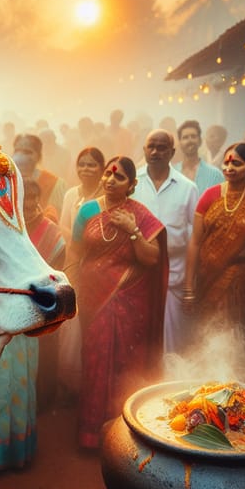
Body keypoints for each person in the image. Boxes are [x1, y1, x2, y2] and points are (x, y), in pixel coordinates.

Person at [70, 156, 168, 449]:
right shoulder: (87, 209)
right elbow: (75, 253)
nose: (111, 179)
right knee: (95, 358)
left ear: (132, 185)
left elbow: (152, 258)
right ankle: (91, 432)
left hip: (129, 303)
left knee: (126, 362)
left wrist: (133, 229)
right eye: (109, 173)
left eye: (120, 176)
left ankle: (122, 432)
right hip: (92, 299)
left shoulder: (140, 214)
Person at [0, 179, 66, 472]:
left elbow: (56, 274)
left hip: (26, 316)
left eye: (31, 199)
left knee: (19, 382)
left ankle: (17, 451)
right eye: (20, 199)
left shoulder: (46, 232)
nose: (26, 205)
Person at [183, 143, 245, 353]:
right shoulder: (210, 195)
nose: (229, 168)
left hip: (244, 279)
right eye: (226, 162)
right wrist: (189, 288)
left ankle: (237, 379)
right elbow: (195, 242)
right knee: (206, 335)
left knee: (236, 336)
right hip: (208, 277)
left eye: (237, 163)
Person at [134, 129, 198, 354]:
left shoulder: (188, 188)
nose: (155, 152)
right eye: (151, 147)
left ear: (172, 152)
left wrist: (190, 286)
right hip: (137, 278)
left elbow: (195, 240)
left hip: (174, 279)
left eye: (162, 148)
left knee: (171, 346)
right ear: (144, 150)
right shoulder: (132, 184)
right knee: (139, 342)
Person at [57, 147, 105, 403]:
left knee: (94, 324)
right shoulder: (70, 195)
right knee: (70, 327)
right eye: (82, 164)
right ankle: (69, 384)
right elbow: (64, 227)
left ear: (102, 168)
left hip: (100, 265)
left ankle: (92, 383)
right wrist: (77, 246)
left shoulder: (106, 197)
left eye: (92, 165)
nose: (86, 169)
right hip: (75, 261)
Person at [12, 133, 66, 221]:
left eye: (27, 152)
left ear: (38, 156)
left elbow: (58, 219)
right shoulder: (5, 181)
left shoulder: (54, 184)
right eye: (17, 151)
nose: (21, 156)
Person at [174, 120, 224, 195]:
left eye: (193, 136)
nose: (190, 140)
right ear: (179, 143)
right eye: (185, 137)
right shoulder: (172, 173)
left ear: (200, 141)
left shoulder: (215, 175)